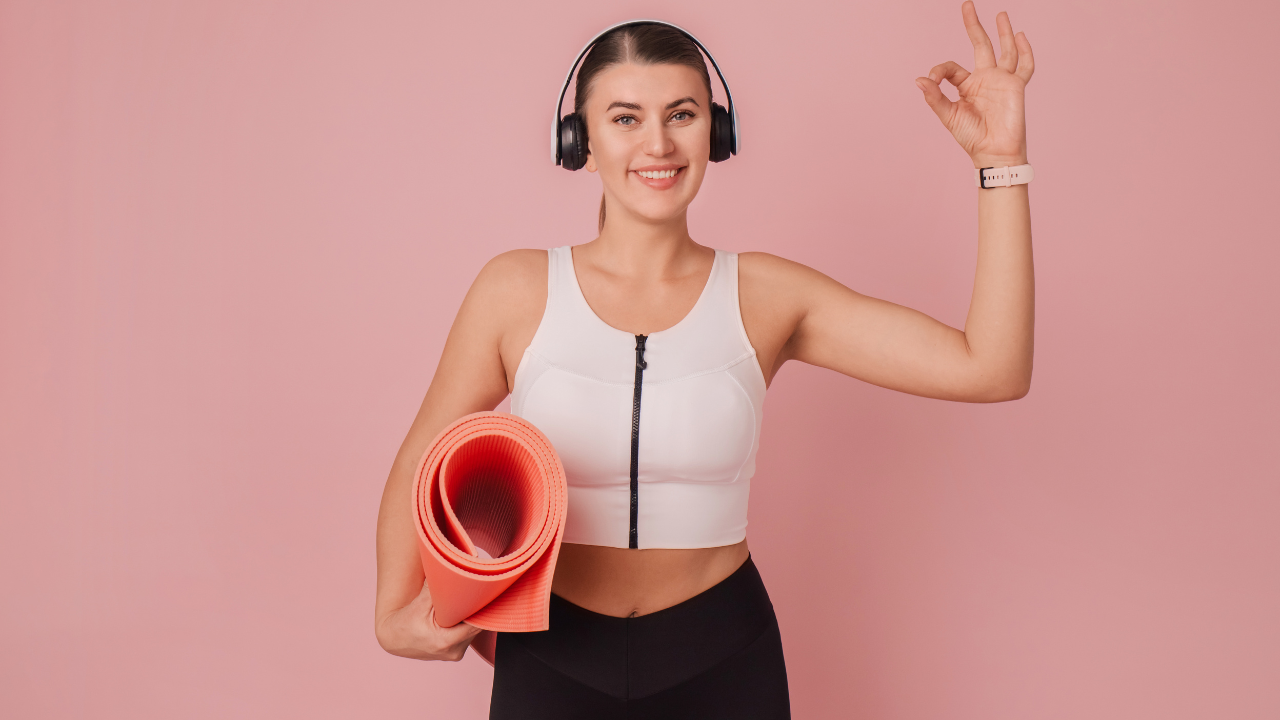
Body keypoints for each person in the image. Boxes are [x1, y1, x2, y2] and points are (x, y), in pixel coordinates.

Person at [374, 3, 1035, 718]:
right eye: (625, 118)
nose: (657, 143)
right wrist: (390, 611)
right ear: (582, 142)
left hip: (722, 654)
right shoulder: (513, 289)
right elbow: (423, 457)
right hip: (552, 653)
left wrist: (1000, 164)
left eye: (682, 114)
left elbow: (989, 367)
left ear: (716, 132)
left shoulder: (770, 295)